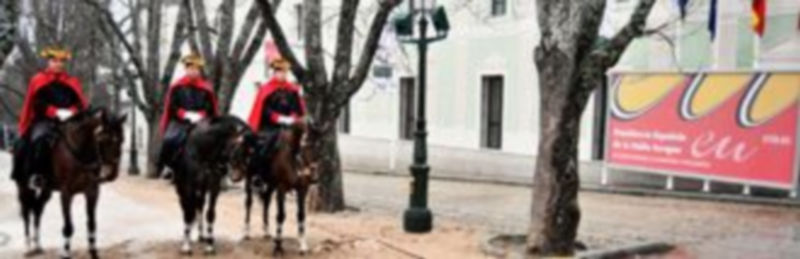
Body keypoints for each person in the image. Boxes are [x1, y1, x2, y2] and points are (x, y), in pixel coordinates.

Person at [11, 46, 88, 189]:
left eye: (61, 61)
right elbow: (38, 103)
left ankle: (90, 173)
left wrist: (71, 111)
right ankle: (37, 176)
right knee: (39, 140)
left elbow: (80, 103)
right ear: (48, 62)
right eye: (54, 60)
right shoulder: (38, 79)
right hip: (44, 120)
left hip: (69, 120)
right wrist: (55, 112)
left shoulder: (72, 81)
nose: (58, 64)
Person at [156, 53, 218, 177]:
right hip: (180, 121)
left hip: (201, 121)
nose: (193, 71)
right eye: (190, 68)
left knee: (215, 140)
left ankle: (216, 167)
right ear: (186, 69)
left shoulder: (206, 89)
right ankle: (167, 166)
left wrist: (201, 115)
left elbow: (210, 107)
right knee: (169, 139)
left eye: (195, 69)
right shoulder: (177, 87)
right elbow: (172, 106)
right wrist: (184, 114)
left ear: (199, 71)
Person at [247, 57, 307, 178]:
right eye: (279, 72)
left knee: (303, 144)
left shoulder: (292, 90)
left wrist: (292, 117)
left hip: (290, 125)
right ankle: (260, 174)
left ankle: (302, 172)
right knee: (265, 145)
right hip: (270, 126)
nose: (282, 74)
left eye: (284, 72)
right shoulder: (266, 89)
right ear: (274, 73)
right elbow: (264, 110)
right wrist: (278, 118)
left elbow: (297, 108)